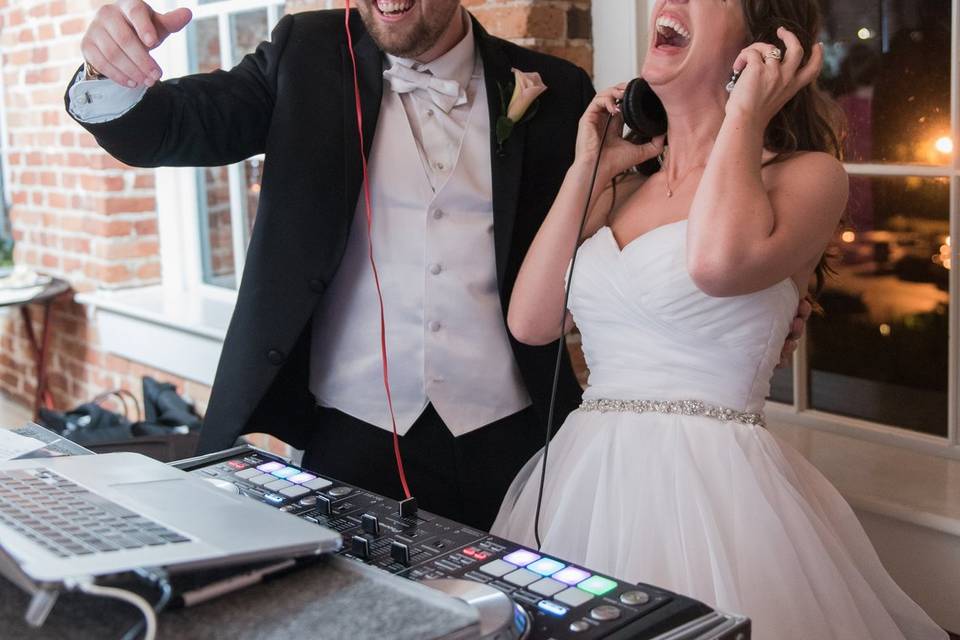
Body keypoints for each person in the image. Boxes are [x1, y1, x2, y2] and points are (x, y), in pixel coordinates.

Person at [65, 0, 804, 531]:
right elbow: (168, 127)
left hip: (516, 437)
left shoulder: (557, 93)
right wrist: (109, 68)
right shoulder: (303, 54)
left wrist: (757, 298)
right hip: (347, 434)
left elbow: (615, 234)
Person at [491, 1, 947, 639]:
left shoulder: (807, 178)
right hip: (584, 482)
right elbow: (531, 321)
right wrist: (588, 165)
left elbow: (714, 264)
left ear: (760, 48)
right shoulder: (621, 188)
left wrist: (745, 114)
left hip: (717, 496)